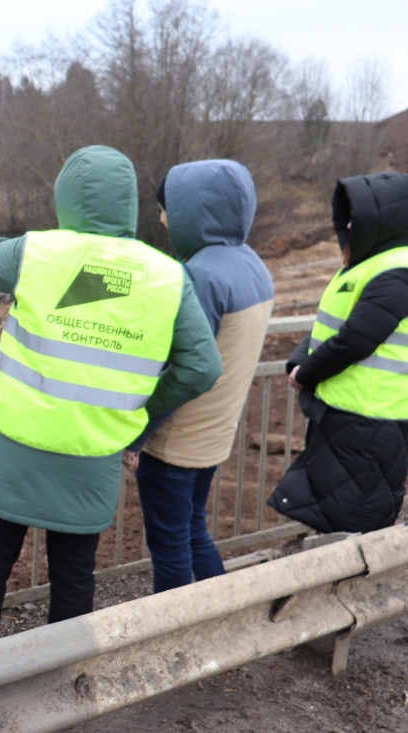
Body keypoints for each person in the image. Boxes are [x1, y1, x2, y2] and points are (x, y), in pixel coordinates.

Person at [0, 145, 222, 649]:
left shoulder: (38, 251)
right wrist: (140, 415)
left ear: (66, 198)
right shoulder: (167, 275)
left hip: (14, 444)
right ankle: (61, 691)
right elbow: (203, 367)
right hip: (92, 454)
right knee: (74, 578)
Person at [126, 160, 275, 593]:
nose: (161, 218)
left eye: (167, 208)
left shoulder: (202, 277)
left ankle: (175, 633)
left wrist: (137, 435)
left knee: (170, 544)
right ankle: (220, 617)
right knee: (194, 530)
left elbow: (183, 369)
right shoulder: (252, 266)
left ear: (196, 211)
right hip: (215, 437)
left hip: (176, 441)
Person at [268, 172, 408, 533]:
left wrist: (306, 373)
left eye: (356, 216)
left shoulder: (398, 271)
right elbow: (331, 325)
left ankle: (351, 589)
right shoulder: (373, 265)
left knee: (356, 524)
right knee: (337, 514)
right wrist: (301, 358)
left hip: (370, 419)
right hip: (349, 416)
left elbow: (357, 338)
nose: (347, 224)